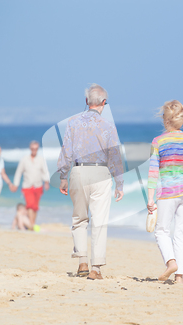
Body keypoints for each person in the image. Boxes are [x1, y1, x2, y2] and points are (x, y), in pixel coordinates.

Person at [57, 83, 124, 280]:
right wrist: (119, 183)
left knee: (79, 219)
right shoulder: (108, 126)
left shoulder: (73, 122)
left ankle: (82, 262)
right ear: (103, 103)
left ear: (87, 101)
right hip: (101, 173)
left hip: (78, 171)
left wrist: (63, 176)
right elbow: (115, 156)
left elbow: (66, 152)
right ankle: (96, 268)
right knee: (99, 221)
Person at [147, 100, 183, 284]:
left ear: (165, 120)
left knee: (162, 231)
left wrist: (150, 199)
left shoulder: (158, 141)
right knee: (182, 233)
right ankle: (179, 277)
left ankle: (171, 263)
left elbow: (153, 172)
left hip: (167, 192)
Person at [13, 140, 50, 228]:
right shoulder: (24, 159)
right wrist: (16, 184)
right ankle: (31, 225)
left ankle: (31, 224)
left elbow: (45, 171)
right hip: (27, 186)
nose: (34, 150)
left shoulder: (41, 159)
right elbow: (19, 172)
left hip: (38, 186)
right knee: (30, 205)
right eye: (33, 148)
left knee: (35, 207)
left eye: (36, 149)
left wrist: (46, 182)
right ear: (30, 148)